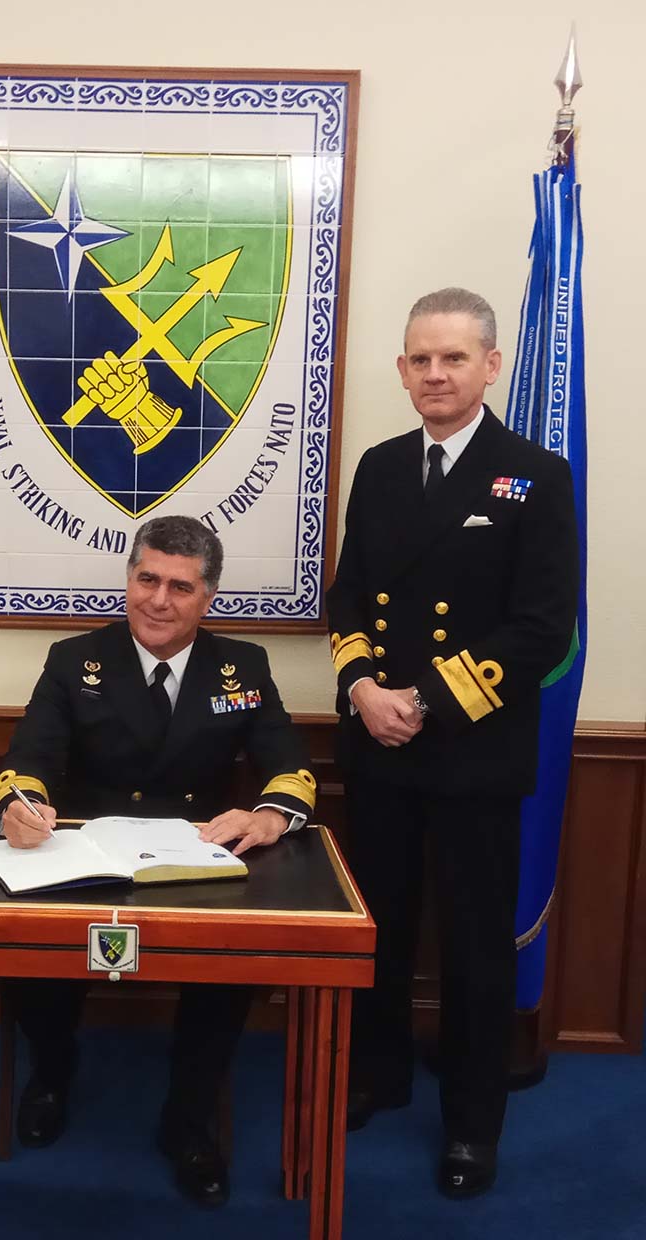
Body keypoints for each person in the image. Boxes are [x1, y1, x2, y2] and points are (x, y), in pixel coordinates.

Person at [326, 287, 579, 1198]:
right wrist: (362, 688)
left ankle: (472, 1123)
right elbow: (349, 595)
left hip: (473, 753)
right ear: (403, 370)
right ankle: (378, 1073)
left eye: (454, 358)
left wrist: (423, 700)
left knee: (473, 948)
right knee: (381, 928)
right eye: (421, 360)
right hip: (380, 746)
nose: (435, 374)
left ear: (491, 365)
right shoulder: (382, 466)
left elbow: (543, 628)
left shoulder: (535, 475)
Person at [0, 515, 316, 1208]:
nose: (159, 600)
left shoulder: (243, 666)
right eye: (147, 579)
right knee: (30, 961)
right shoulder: (75, 659)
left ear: (208, 597)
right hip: (86, 857)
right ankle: (52, 1071)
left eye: (180, 586)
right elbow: (29, 757)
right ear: (129, 578)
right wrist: (21, 805)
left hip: (196, 858)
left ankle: (190, 1119)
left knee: (227, 972)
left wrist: (268, 815)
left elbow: (288, 765)